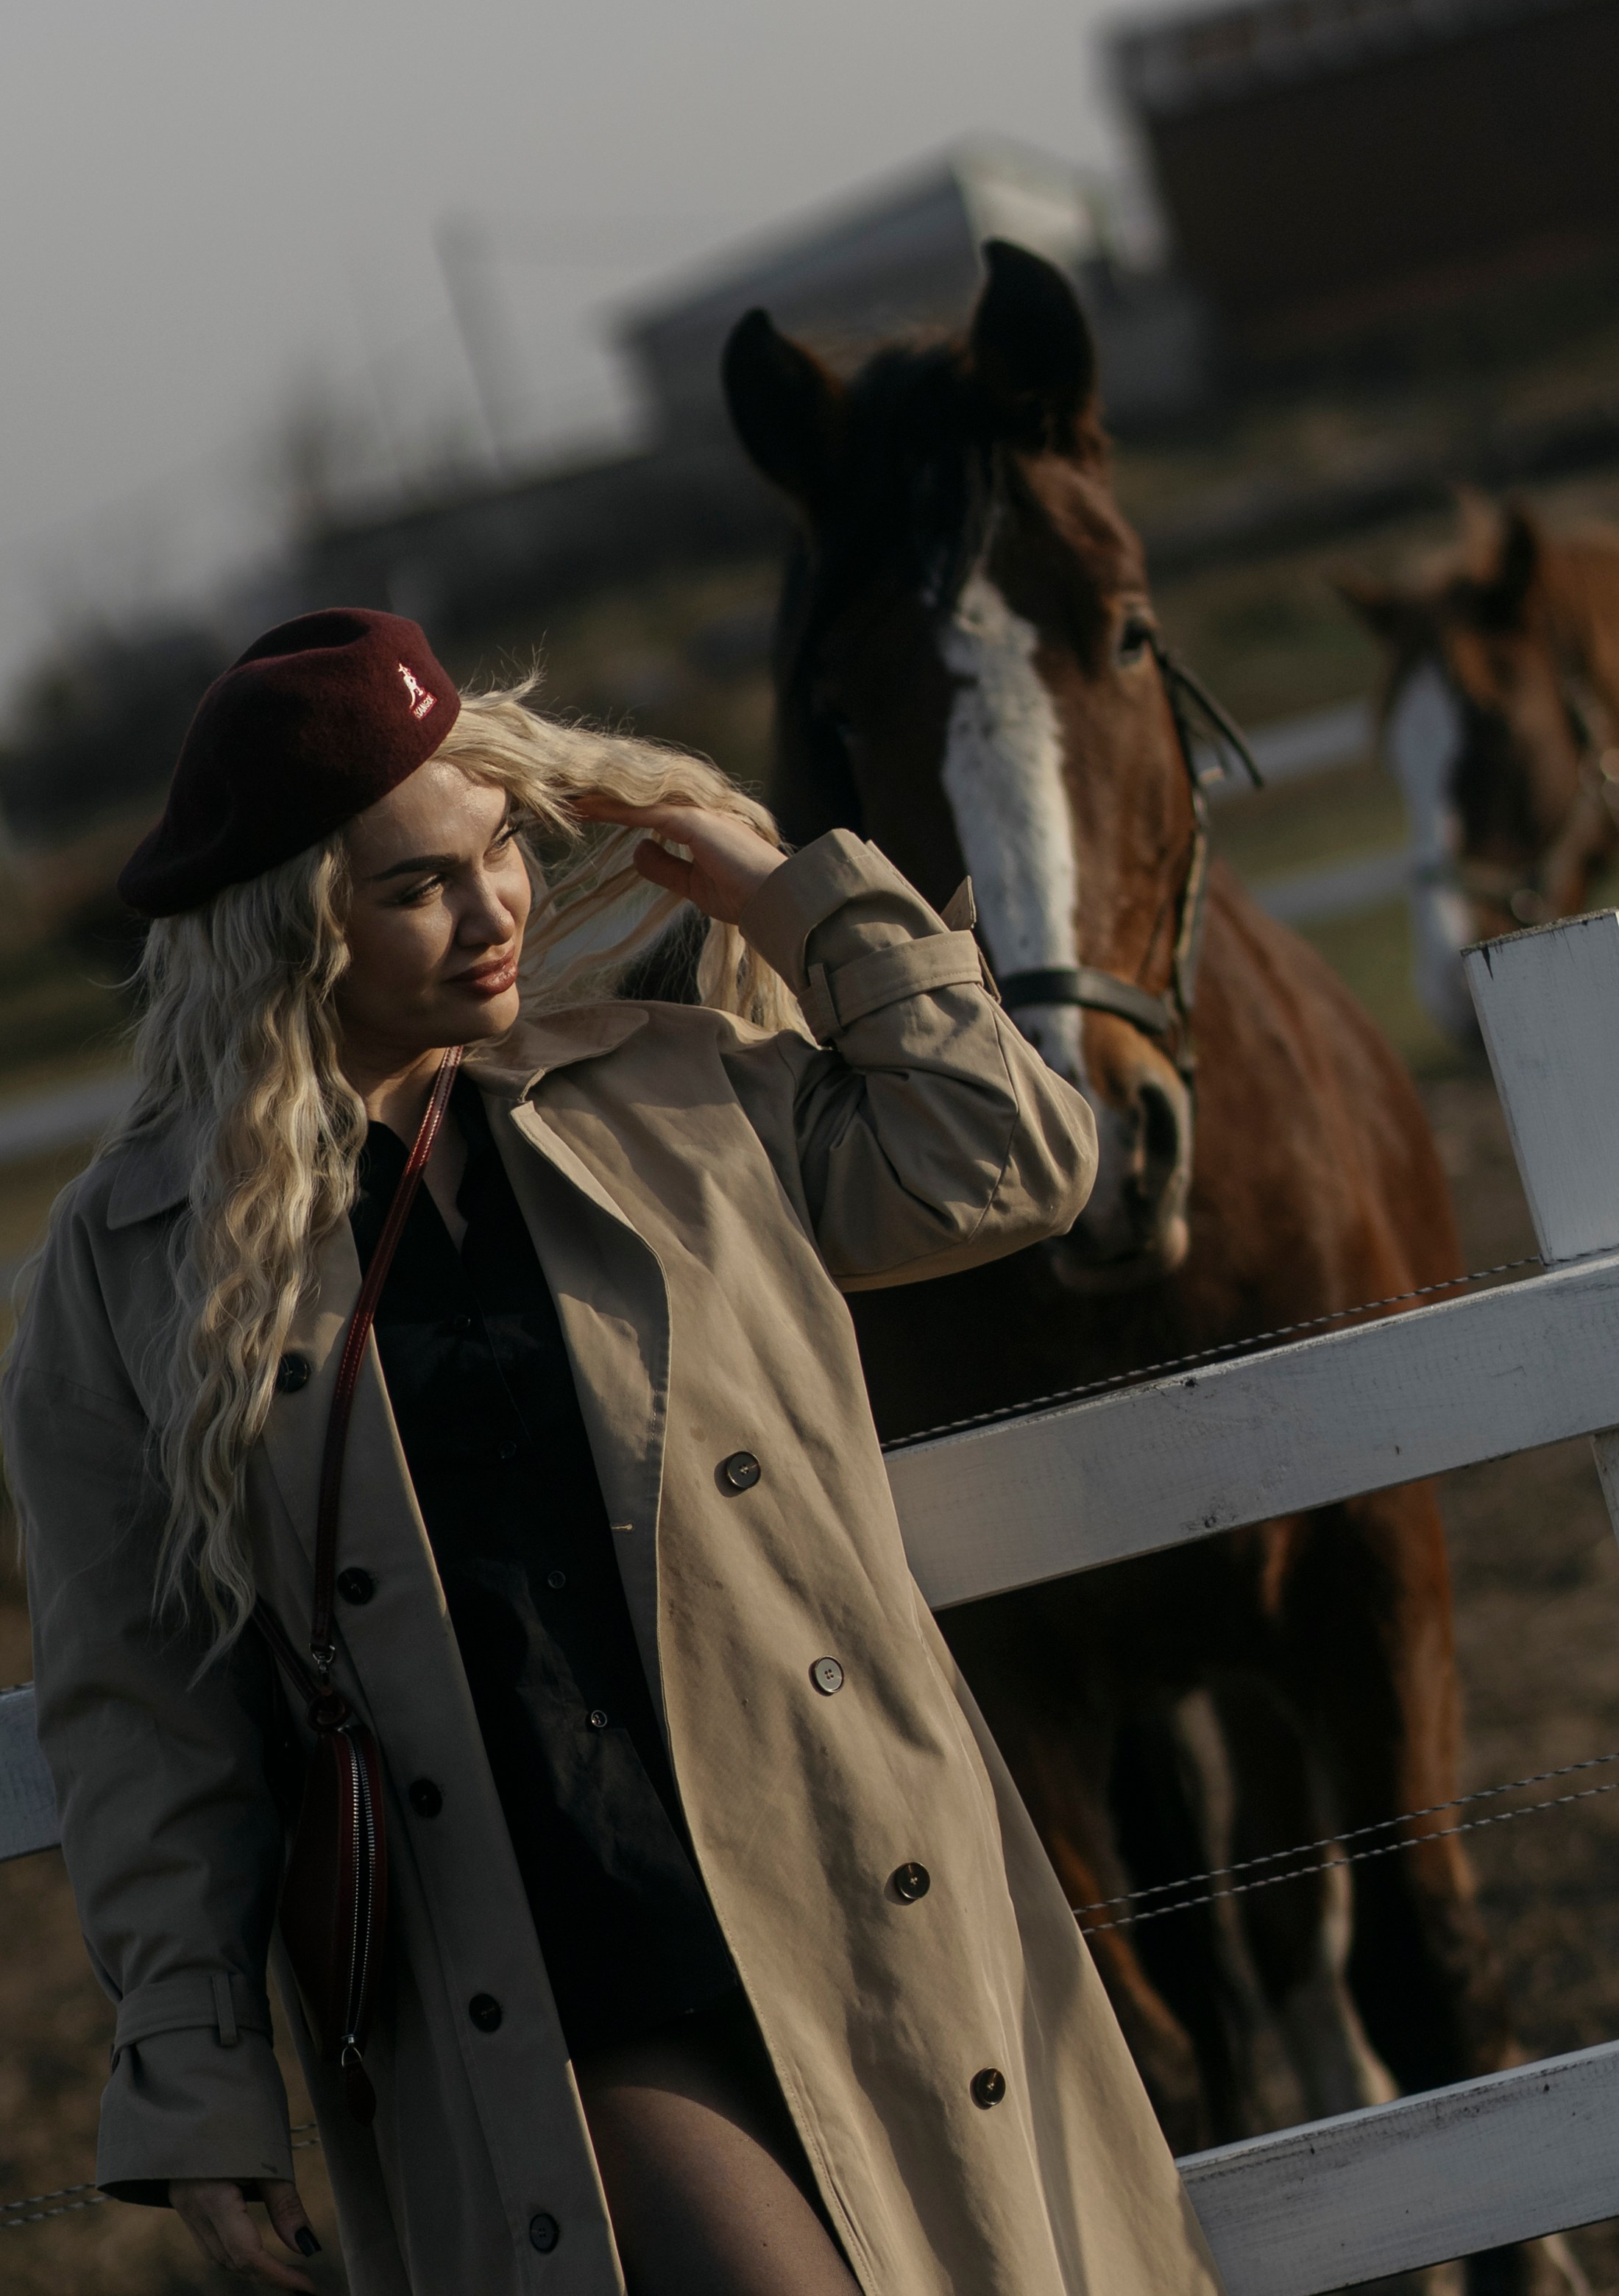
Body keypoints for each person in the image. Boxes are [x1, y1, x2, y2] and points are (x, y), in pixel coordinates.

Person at [4, 609, 1220, 2296]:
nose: (497, 905)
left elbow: (1005, 1155)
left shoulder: (669, 1100)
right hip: (540, 1970)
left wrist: (797, 896)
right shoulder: (132, 1265)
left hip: (850, 1888)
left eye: (501, 848)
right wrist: (200, 2093)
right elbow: (144, 1719)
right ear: (288, 932)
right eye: (415, 884)